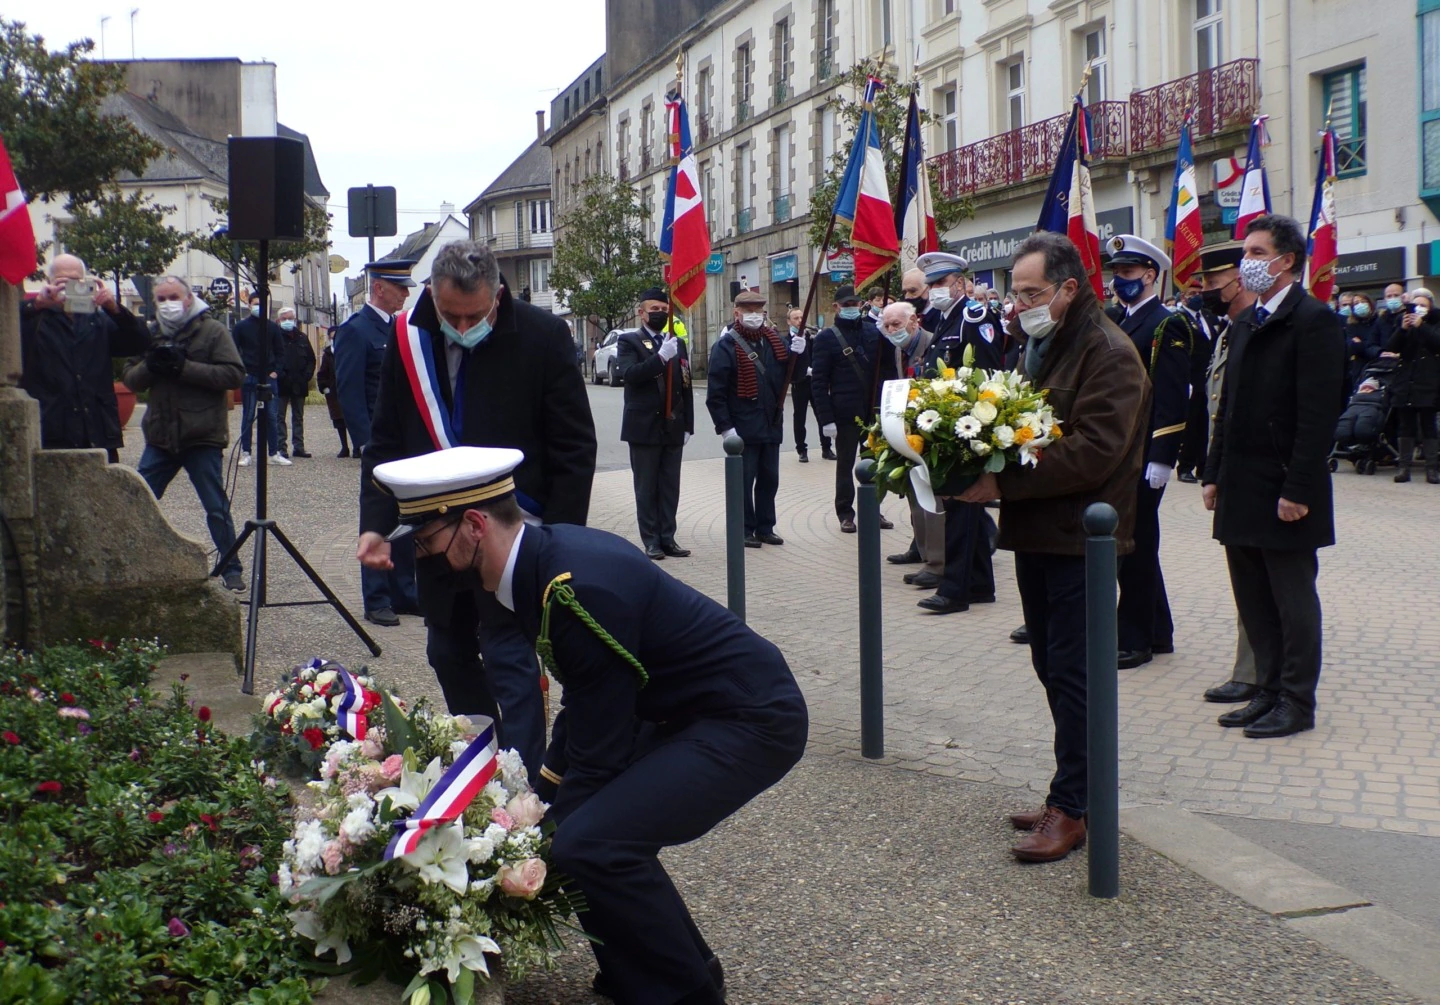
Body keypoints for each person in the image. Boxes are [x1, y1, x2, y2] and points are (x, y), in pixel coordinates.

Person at [372, 445, 807, 1005]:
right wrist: (542, 792)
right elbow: (586, 696)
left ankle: (688, 993)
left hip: (749, 719)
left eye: (428, 542)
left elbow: (600, 750)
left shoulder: (570, 587)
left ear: (474, 525)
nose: (424, 558)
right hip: (689, 707)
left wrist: (540, 829)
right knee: (584, 830)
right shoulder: (536, 567)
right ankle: (645, 972)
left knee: (588, 842)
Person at [357, 241, 597, 776]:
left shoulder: (542, 335)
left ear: (498, 296)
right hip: (436, 536)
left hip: (514, 535)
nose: (464, 325)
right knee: (448, 653)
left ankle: (525, 784)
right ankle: (479, 773)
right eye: (451, 315)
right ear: (433, 300)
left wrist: (558, 541)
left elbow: (574, 449)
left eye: (476, 314)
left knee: (513, 662)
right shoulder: (408, 338)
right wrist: (375, 526)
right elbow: (386, 441)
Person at [955, 232, 1149, 862]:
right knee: (1052, 668)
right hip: (1042, 530)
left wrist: (999, 480)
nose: (1021, 304)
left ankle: (1075, 809)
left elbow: (1094, 449)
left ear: (1070, 287)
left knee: (1075, 676)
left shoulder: (1107, 352)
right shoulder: (1041, 345)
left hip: (1081, 539)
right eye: (1017, 292)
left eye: (1033, 292)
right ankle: (1070, 794)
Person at [1202, 214, 1348, 739]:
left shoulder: (1312, 321)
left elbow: (1317, 418)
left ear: (1286, 261)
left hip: (1285, 488)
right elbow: (1230, 407)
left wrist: (1299, 490)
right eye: (1249, 252)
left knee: (1291, 598)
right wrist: (1212, 473)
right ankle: (1265, 689)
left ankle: (1296, 699)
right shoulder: (1246, 320)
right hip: (1241, 486)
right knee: (1253, 597)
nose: (1249, 262)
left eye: (1258, 253)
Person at [122, 277, 247, 592]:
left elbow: (233, 374)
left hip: (201, 434)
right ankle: (131, 558)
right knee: (138, 498)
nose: (167, 303)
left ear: (189, 298)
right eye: (161, 298)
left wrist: (184, 367)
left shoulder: (213, 331)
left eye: (173, 296)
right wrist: (152, 365)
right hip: (161, 435)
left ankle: (231, 567)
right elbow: (132, 379)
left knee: (215, 506)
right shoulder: (150, 334)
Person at [1105, 235, 1192, 670]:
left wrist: (1163, 455)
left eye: (1128, 272)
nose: (1119, 280)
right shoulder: (1121, 320)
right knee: (1137, 544)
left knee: (1134, 545)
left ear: (1151, 275)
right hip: (1122, 450)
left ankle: (1134, 638)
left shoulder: (1165, 323)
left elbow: (1172, 396)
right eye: (1116, 272)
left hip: (1144, 453)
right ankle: (1159, 632)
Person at [1192, 241, 1264, 706]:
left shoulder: (1258, 329)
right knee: (1247, 582)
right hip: (1234, 475)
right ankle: (1252, 671)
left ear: (1238, 280)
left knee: (1267, 584)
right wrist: (1210, 472)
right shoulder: (1228, 332)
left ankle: (1262, 676)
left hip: (1261, 477)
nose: (1208, 292)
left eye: (1214, 284)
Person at [918, 251, 1001, 614]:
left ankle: (954, 590)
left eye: (940, 283)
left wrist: (981, 427)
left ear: (959, 283)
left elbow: (987, 374)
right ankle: (980, 583)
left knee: (960, 507)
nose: (935, 290)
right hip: (950, 423)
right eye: (931, 284)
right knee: (965, 507)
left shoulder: (974, 317)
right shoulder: (943, 319)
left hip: (970, 425)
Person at [338, 260, 420, 627]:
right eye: (400, 287)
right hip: (378, 442)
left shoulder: (400, 328)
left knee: (406, 518)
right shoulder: (356, 330)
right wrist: (365, 443)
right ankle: (377, 598)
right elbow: (350, 390)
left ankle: (404, 592)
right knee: (377, 519)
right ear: (379, 288)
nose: (406, 293)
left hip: (404, 442)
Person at [19, 253, 149, 462]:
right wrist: (36, 305)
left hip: (97, 429)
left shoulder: (98, 318)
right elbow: (8, 332)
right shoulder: (35, 318)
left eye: (76, 281)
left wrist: (115, 309)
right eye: (63, 282)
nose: (69, 287)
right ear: (49, 282)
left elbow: (140, 342)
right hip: (53, 430)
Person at [706, 290, 800, 547]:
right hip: (743, 427)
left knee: (769, 479)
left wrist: (800, 355)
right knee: (743, 481)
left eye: (758, 312)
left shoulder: (775, 341)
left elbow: (792, 377)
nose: (754, 316)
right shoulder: (725, 346)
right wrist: (726, 428)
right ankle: (744, 528)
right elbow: (716, 393)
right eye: (748, 312)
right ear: (736, 313)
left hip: (770, 423)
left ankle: (765, 527)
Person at [811, 285, 897, 534]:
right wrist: (825, 419)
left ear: (861, 306)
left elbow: (889, 367)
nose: (851, 308)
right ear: (836, 307)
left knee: (874, 465)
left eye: (854, 304)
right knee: (846, 465)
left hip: (872, 411)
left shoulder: (873, 332)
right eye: (846, 305)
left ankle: (873, 508)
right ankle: (845, 513)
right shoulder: (826, 338)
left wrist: (888, 334)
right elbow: (819, 382)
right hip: (844, 413)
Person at [617, 288, 694, 559]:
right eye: (654, 310)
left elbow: (685, 384)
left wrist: (689, 425)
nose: (660, 314)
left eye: (664, 310)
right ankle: (651, 540)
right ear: (641, 313)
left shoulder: (677, 343)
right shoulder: (629, 342)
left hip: (673, 425)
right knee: (647, 487)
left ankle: (668, 538)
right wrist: (660, 357)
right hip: (644, 427)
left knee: (670, 486)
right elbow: (631, 375)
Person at [880, 302, 946, 591]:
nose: (892, 330)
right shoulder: (899, 348)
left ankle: (937, 562)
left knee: (932, 498)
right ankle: (922, 551)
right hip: (909, 429)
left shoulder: (933, 343)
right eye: (888, 325)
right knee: (914, 494)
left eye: (896, 324)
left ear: (914, 321)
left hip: (933, 428)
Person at [1381, 288, 1440, 484]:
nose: (1419, 309)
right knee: (1405, 426)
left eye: (1423, 305)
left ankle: (1431, 469)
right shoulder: (1403, 322)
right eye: (1417, 305)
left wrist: (1421, 325)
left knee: (1428, 425)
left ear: (1430, 307)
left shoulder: (1435, 323)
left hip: (1428, 381)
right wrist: (1403, 329)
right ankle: (1403, 467)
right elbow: (1391, 346)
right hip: (1406, 381)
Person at [231, 298, 290, 468]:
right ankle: (246, 452)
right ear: (249, 305)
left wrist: (276, 371)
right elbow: (234, 350)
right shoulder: (241, 327)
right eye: (255, 303)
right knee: (248, 415)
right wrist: (242, 369)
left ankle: (273, 452)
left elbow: (280, 351)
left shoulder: (272, 327)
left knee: (272, 416)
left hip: (269, 376)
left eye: (261, 303)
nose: (258, 306)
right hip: (249, 375)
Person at [1174, 276, 1220, 484]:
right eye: (1192, 294)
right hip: (1191, 379)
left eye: (1200, 293)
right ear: (1183, 297)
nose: (1197, 297)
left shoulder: (1209, 317)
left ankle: (1204, 466)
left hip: (1209, 378)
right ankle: (1185, 466)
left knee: (1206, 425)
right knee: (1191, 425)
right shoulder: (1179, 319)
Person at [786, 307, 833, 462]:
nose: (800, 321)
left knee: (821, 414)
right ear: (789, 321)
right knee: (800, 417)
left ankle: (826, 448)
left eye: (801, 318)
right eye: (796, 318)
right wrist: (802, 369)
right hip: (799, 383)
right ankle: (802, 450)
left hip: (815, 382)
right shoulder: (787, 340)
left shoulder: (811, 337)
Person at [275, 307, 316, 459]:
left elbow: (311, 359)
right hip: (281, 383)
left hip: (299, 382)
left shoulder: (302, 337)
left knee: (298, 417)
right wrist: (280, 374)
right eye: (284, 319)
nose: (288, 321)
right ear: (279, 320)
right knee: (280, 417)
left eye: (290, 318)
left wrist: (307, 375)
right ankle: (281, 448)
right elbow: (271, 359)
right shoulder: (275, 337)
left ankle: (299, 447)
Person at [314, 328, 350, 458]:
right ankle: (344, 447)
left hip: (349, 390)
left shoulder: (350, 350)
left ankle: (357, 447)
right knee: (339, 420)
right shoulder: (328, 354)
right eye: (332, 337)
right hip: (334, 392)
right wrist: (324, 387)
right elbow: (323, 372)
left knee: (352, 420)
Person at [1343, 292, 1384, 391]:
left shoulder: (1380, 320)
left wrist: (1361, 343)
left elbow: (1382, 344)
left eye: (1363, 301)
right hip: (1360, 369)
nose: (1360, 305)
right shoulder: (1351, 325)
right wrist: (1369, 346)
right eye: (1356, 303)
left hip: (1379, 365)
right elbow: (1351, 347)